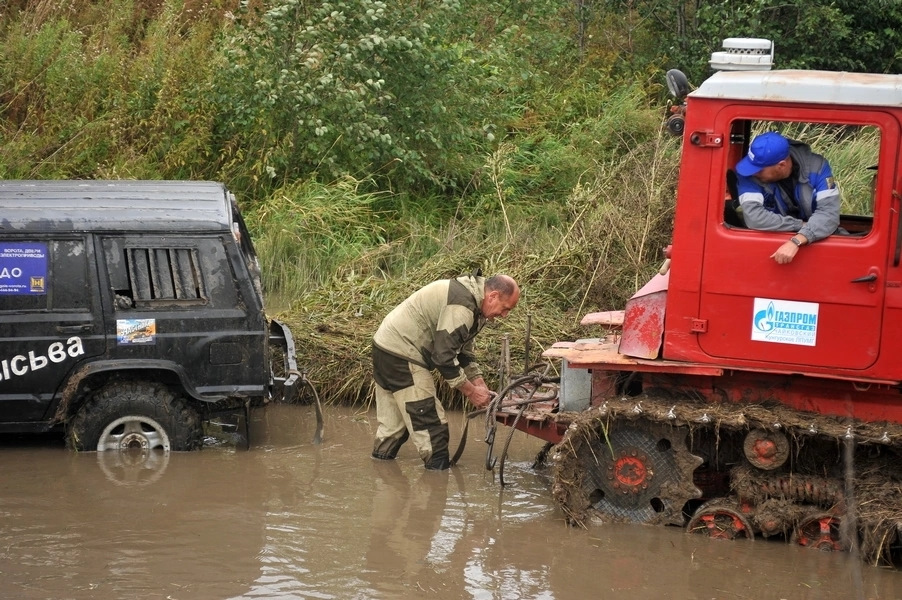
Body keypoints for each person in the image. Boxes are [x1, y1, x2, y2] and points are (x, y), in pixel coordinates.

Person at [370, 272, 520, 470]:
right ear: (492, 296)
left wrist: (479, 383)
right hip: (402, 354)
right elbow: (443, 358)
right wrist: (472, 393)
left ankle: (381, 472)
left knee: (394, 427)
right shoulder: (462, 306)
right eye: (505, 308)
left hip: (384, 347)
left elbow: (463, 349)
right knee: (431, 426)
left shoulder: (473, 300)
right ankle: (437, 483)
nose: (504, 315)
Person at [735, 131, 841, 265]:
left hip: (814, 243)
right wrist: (800, 225)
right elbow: (755, 218)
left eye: (759, 169)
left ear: (781, 165)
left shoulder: (818, 167)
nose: (753, 172)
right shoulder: (749, 173)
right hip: (769, 247)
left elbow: (829, 215)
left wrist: (798, 240)